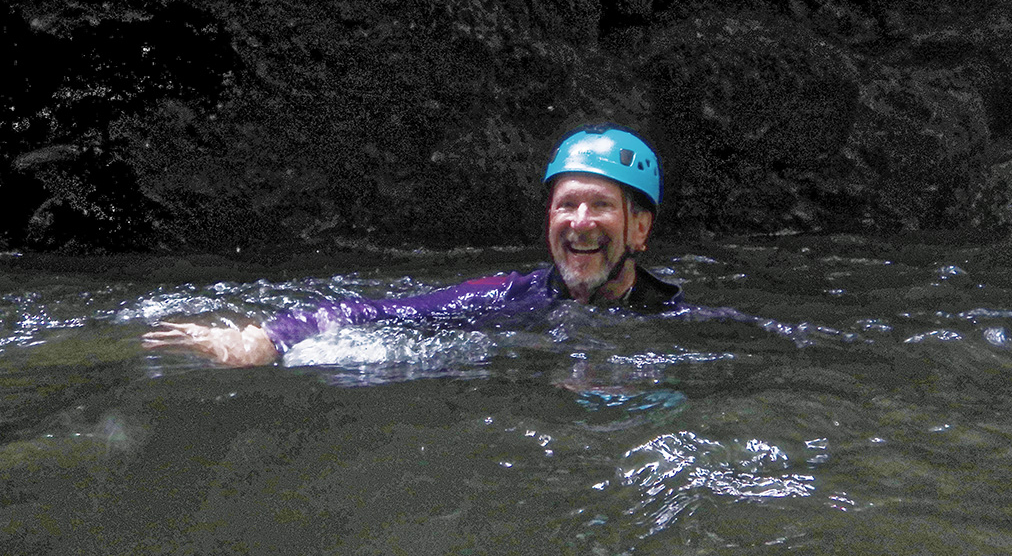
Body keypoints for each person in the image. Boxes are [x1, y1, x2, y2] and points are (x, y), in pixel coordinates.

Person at [142, 124, 682, 367]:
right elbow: (379, 313)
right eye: (566, 205)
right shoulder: (502, 300)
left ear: (639, 228)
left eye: (600, 205)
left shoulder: (682, 319)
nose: (579, 222)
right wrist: (267, 339)